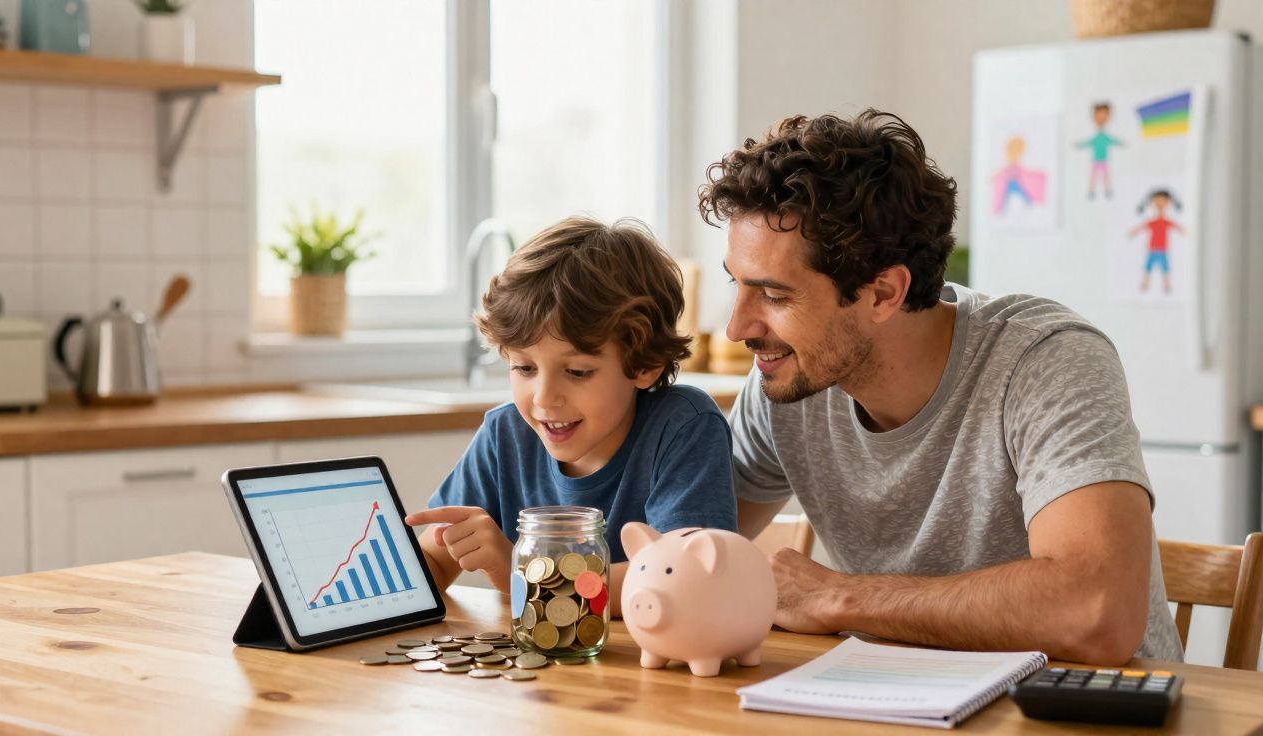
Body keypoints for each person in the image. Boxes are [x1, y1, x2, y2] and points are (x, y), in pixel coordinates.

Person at [699, 109, 1181, 664]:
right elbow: (676, 553)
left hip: (1087, 704)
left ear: (884, 293)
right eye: (738, 285)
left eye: (774, 296)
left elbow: (1098, 613)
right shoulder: (790, 382)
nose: (737, 328)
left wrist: (839, 598)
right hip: (896, 696)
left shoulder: (1044, 360)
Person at [405, 216, 737, 613]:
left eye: (577, 372)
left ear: (646, 365)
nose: (545, 398)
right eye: (524, 367)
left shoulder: (683, 427)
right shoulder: (504, 433)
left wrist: (524, 575)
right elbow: (434, 560)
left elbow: (686, 578)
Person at [1129, 189, 1183, 294]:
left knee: (1165, 268)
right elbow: (1142, 227)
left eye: (1163, 201)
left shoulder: (1166, 221)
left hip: (1162, 249)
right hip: (1152, 248)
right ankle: (1145, 284)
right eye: (1157, 201)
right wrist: (1133, 232)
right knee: (1148, 267)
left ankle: (1166, 285)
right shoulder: (1152, 222)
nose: (1160, 204)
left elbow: (1178, 227)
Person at [1077, 102, 1123, 199]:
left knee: (1105, 176)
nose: (1101, 120)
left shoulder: (1104, 136)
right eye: (1098, 116)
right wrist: (1079, 145)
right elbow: (1088, 142)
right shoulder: (1097, 136)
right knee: (1094, 176)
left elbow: (1113, 141)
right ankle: (1092, 191)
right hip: (1096, 160)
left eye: (1104, 116)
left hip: (1103, 160)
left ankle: (1106, 190)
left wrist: (1120, 143)